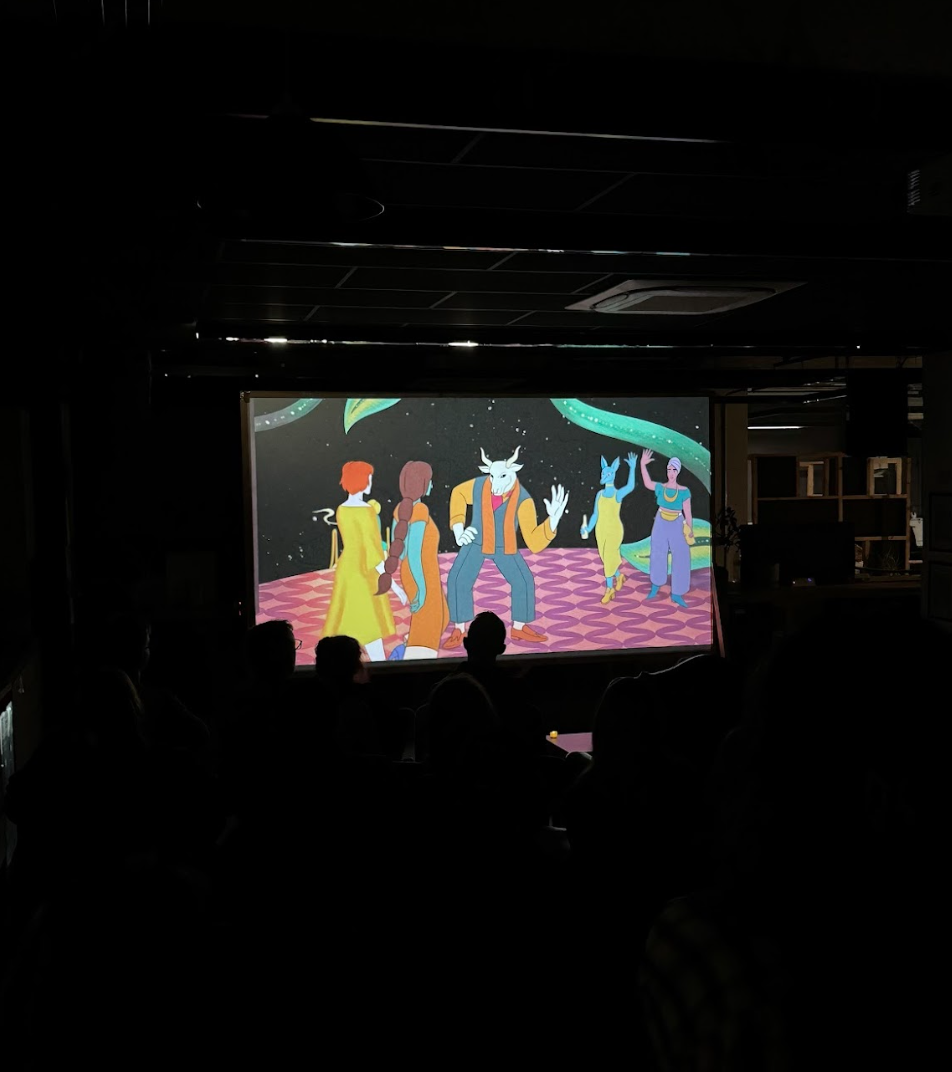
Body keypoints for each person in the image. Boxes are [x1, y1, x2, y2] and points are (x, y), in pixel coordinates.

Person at [444, 446, 568, 647]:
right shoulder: (479, 485)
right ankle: (459, 629)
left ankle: (519, 628)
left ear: (513, 472)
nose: (495, 484)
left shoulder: (523, 500)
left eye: (501, 477)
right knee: (458, 579)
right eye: (492, 477)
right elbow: (458, 493)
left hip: (504, 546)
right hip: (476, 540)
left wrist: (552, 521)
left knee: (524, 581)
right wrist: (459, 530)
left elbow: (534, 542)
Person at [322, 460, 407, 662]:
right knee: (369, 626)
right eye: (369, 478)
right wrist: (395, 586)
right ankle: (381, 667)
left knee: (350, 622)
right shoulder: (366, 511)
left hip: (347, 570)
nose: (371, 483)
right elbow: (371, 551)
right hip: (363, 574)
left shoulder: (341, 509)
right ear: (362, 480)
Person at [377, 460, 449, 660]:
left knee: (442, 617)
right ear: (422, 483)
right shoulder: (420, 511)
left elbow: (401, 551)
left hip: (419, 574)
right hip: (421, 575)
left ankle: (407, 649)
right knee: (428, 628)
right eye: (430, 481)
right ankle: (414, 659)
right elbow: (414, 554)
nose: (432, 484)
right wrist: (422, 588)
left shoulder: (401, 509)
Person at [580, 452, 638, 604]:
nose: (605, 475)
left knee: (609, 556)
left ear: (613, 474)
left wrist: (632, 468)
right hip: (601, 530)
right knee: (606, 558)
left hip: (614, 530)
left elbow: (630, 487)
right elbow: (595, 514)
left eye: (608, 473)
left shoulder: (617, 494)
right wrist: (588, 529)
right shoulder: (599, 494)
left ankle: (609, 589)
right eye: (604, 473)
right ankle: (619, 576)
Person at [640, 449, 694, 607]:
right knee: (658, 552)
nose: (671, 473)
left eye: (674, 470)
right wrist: (642, 464)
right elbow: (648, 483)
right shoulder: (661, 487)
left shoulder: (684, 491)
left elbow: (688, 512)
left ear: (678, 472)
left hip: (677, 522)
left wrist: (690, 528)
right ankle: (656, 585)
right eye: (669, 469)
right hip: (661, 521)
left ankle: (677, 592)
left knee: (681, 555)